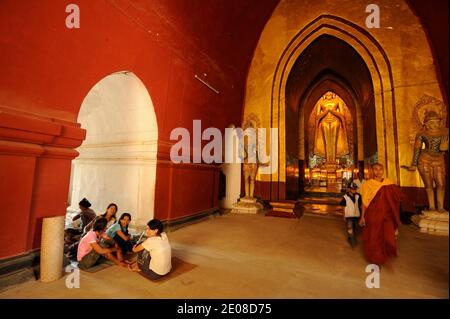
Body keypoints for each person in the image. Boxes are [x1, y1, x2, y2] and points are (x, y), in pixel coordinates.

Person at [359, 163, 403, 265]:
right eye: (375, 169)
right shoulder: (367, 184)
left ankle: (383, 255)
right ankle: (375, 258)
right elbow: (364, 202)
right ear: (372, 171)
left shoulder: (389, 183)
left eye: (380, 169)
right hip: (373, 214)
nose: (378, 171)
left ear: (383, 170)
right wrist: (362, 217)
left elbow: (395, 200)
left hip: (387, 215)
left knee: (387, 236)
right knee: (374, 236)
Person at [339, 183, 362, 247]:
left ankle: (350, 237)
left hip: (357, 215)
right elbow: (343, 206)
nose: (354, 190)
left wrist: (362, 216)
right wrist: (343, 215)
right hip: (349, 216)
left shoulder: (358, 196)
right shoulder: (345, 197)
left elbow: (360, 206)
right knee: (350, 228)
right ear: (349, 189)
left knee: (356, 229)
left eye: (355, 189)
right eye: (353, 189)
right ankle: (352, 242)